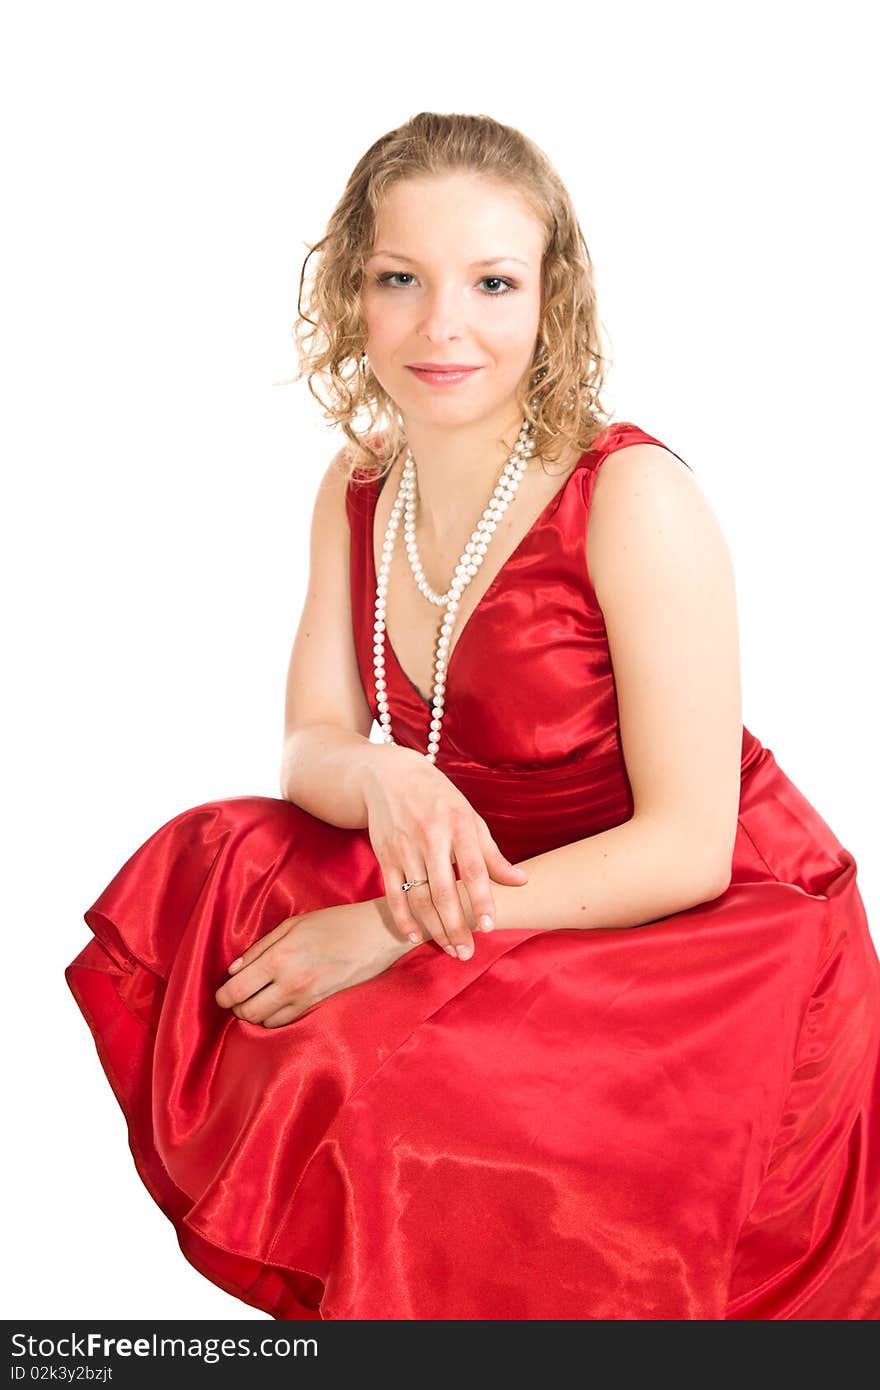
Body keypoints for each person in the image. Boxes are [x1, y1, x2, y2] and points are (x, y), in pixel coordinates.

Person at [65, 111, 880, 1321]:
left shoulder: (632, 496)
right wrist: (385, 779)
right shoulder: (357, 488)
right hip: (482, 868)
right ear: (353, 295)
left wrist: (395, 928)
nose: (444, 325)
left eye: (492, 282)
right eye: (402, 279)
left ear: (552, 300)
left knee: (396, 1085)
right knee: (219, 858)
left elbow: (686, 845)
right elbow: (308, 744)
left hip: (684, 920)